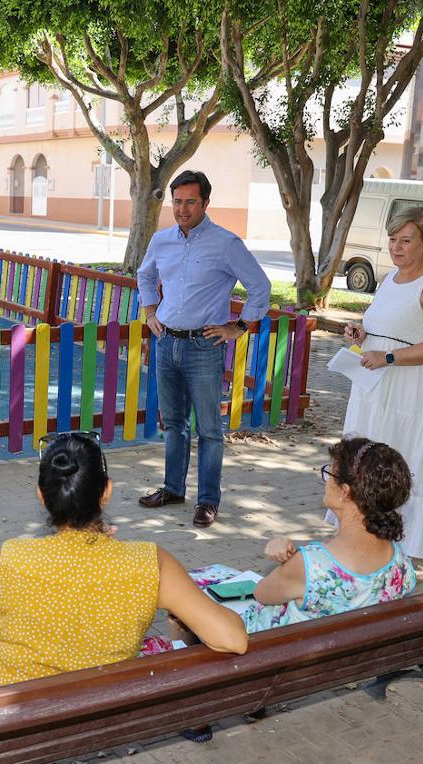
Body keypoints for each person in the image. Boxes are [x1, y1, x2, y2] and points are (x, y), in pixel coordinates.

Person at [0, 431, 247, 700]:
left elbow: (5, 627)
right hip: (94, 706)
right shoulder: (150, 563)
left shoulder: (12, 554)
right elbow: (232, 639)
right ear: (106, 492)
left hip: (8, 703)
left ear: (42, 496)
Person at [136, 170, 272, 528]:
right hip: (166, 342)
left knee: (209, 429)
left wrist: (238, 327)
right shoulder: (161, 240)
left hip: (204, 347)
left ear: (205, 203)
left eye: (190, 202)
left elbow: (260, 286)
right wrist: (150, 310)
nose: (182, 209)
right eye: (177, 201)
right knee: (174, 423)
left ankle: (208, 501)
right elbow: (145, 275)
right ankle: (172, 488)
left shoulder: (226, 244)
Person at [339, 207, 423, 559]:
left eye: (406, 240)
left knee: (405, 460)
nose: (396, 247)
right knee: (368, 457)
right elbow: (388, 328)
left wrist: (388, 357)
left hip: (413, 389)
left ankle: (402, 547)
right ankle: (364, 537)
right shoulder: (390, 278)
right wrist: (362, 333)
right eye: (392, 239)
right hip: (375, 386)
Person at [244, 437, 417, 631]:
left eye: (329, 474)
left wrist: (289, 563)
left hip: (282, 655)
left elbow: (261, 593)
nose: (325, 482)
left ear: (345, 491)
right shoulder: (400, 562)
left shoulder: (311, 565)